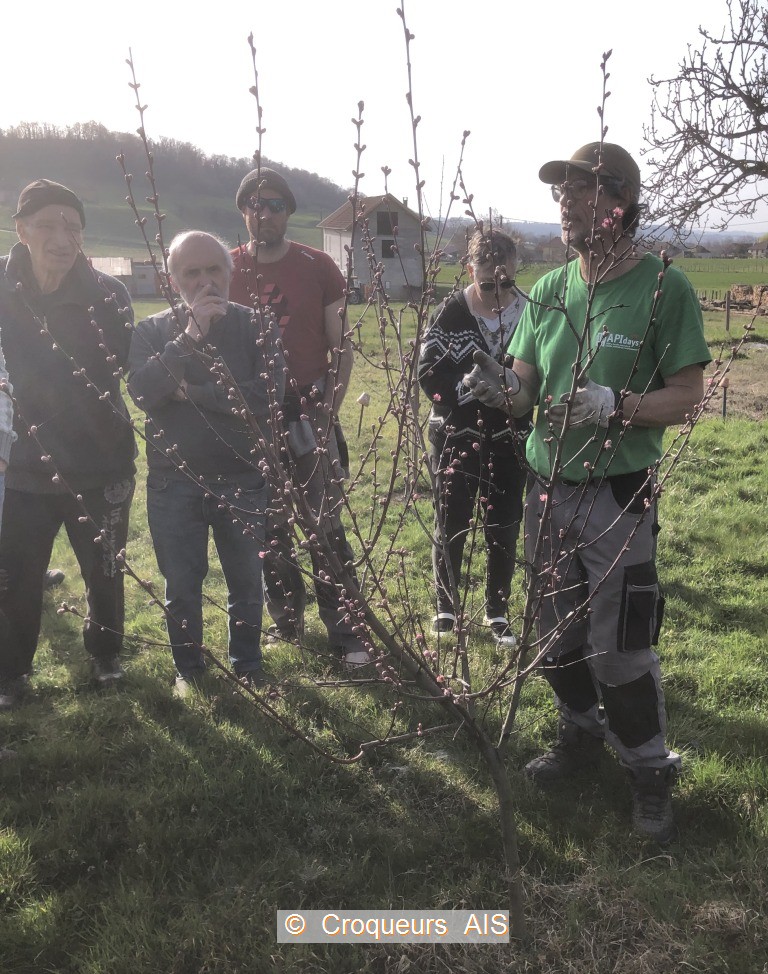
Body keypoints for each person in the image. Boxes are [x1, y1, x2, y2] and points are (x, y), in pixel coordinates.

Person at [466, 142, 711, 842]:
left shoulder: (665, 288)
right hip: (548, 489)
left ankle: (649, 771)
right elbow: (525, 390)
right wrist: (499, 390)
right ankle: (580, 734)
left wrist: (616, 404)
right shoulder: (548, 291)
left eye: (583, 190)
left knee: (622, 648)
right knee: (555, 635)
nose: (567, 202)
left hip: (617, 496)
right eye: (561, 191)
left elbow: (689, 397)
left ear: (621, 202)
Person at [128, 231, 284, 697]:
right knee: (182, 584)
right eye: (191, 272)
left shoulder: (258, 326)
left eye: (213, 269)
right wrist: (191, 336)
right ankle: (189, 669)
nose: (204, 281)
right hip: (174, 482)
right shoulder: (151, 332)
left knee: (245, 581)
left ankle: (248, 665)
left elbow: (265, 399)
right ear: (173, 280)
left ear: (231, 272)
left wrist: (192, 394)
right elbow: (143, 392)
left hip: (242, 477)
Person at [0, 180, 136, 712]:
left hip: (100, 462)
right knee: (16, 574)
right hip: (21, 465)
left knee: (105, 567)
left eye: (74, 227)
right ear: (21, 230)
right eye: (50, 224)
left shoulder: (108, 294)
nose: (63, 237)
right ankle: (10, 671)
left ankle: (105, 654)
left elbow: (123, 363)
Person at [229, 167, 369, 669]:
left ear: (288, 211)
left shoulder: (317, 267)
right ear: (244, 212)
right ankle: (286, 622)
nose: (263, 213)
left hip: (307, 412)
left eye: (274, 205)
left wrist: (327, 412)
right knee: (269, 528)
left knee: (324, 524)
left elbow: (342, 350)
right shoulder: (226, 269)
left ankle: (347, 630)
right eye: (254, 205)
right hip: (251, 419)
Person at [418, 229, 530, 644]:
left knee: (504, 524)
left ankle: (497, 611)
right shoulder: (451, 313)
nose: (498, 293)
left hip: (511, 436)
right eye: (487, 284)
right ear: (470, 271)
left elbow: (540, 370)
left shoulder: (529, 312)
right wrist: (468, 388)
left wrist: (514, 393)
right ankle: (446, 607)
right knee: (452, 521)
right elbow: (427, 373)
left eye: (507, 283)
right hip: (454, 435)